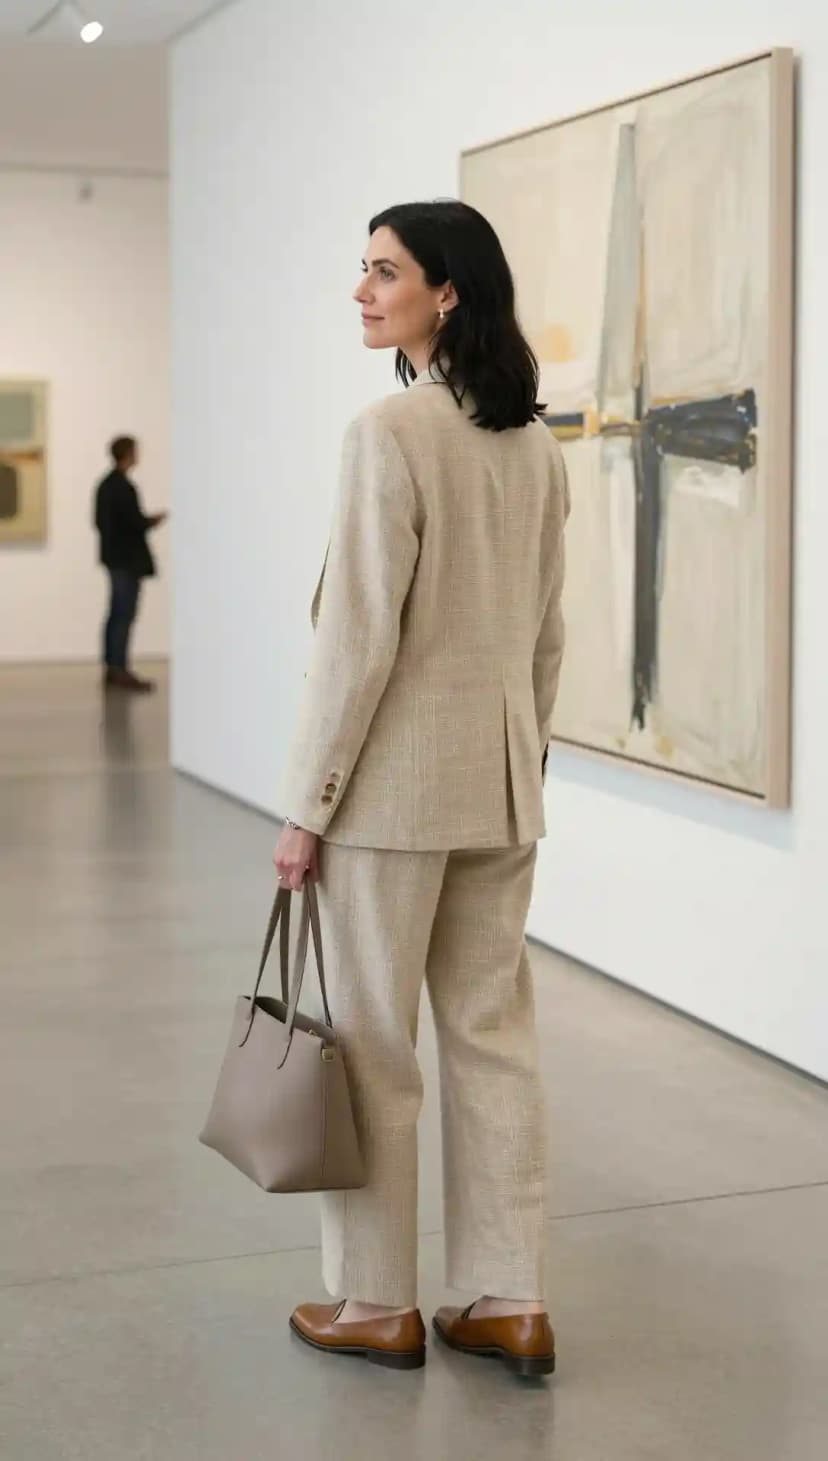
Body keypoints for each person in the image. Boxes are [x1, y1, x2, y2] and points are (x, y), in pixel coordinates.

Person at [273, 201, 569, 1378]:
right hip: (501, 787)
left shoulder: (388, 431)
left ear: (447, 292)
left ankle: (376, 1300)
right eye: (364, 270)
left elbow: (358, 643)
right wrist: (523, 764)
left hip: (391, 796)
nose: (363, 291)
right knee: (494, 1040)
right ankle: (509, 1296)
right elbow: (548, 635)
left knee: (371, 1045)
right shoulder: (534, 444)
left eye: (384, 271)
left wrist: (308, 806)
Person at [93, 436, 167, 692]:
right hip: (126, 561)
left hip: (114, 559)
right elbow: (133, 522)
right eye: (135, 451)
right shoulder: (123, 487)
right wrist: (151, 521)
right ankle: (119, 669)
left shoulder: (105, 485)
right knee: (123, 615)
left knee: (116, 614)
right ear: (128, 454)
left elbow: (100, 522)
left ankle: (112, 667)